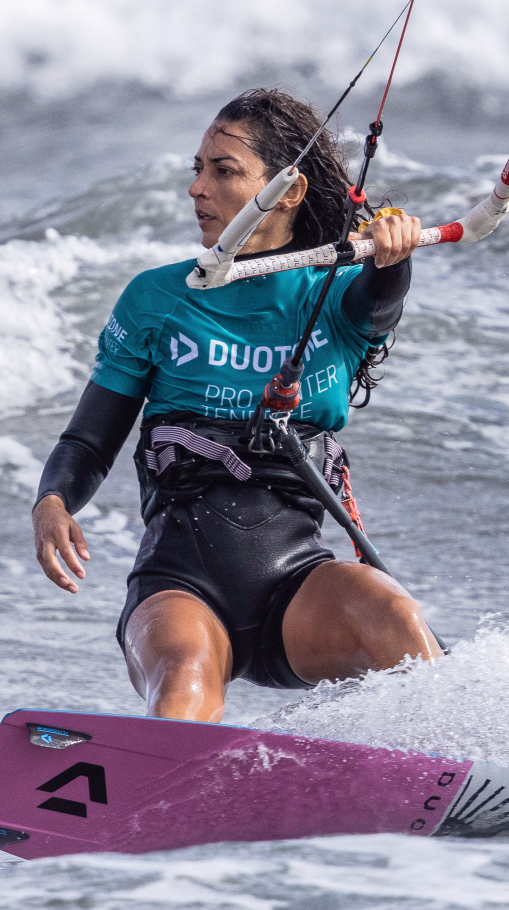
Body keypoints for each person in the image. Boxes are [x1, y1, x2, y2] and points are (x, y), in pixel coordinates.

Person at [32, 88, 444, 723]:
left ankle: (468, 778)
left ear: (287, 190)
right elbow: (90, 440)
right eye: (197, 168)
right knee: (183, 682)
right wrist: (53, 501)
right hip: (180, 584)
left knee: (393, 617)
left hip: (296, 588)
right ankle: (161, 799)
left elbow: (377, 306)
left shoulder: (334, 294)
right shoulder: (157, 298)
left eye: (223, 171)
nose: (198, 188)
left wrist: (392, 258)